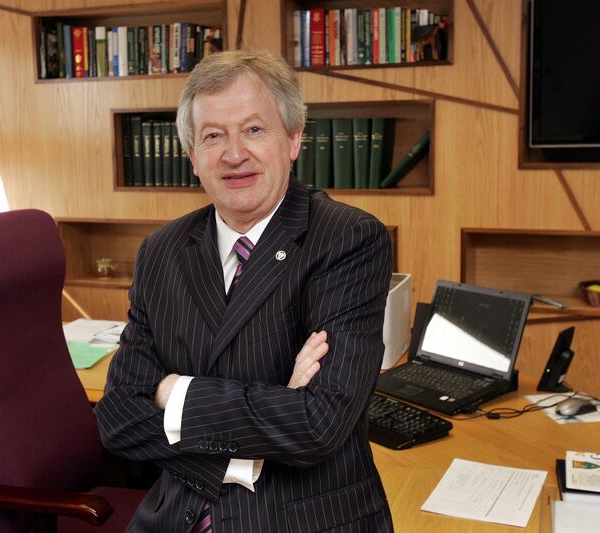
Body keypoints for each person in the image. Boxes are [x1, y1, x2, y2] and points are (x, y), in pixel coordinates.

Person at [95, 49, 394, 533]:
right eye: (213, 136)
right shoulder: (162, 251)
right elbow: (118, 419)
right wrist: (244, 453)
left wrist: (175, 392)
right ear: (193, 157)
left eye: (254, 130)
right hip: (179, 516)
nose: (234, 154)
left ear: (294, 139)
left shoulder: (347, 239)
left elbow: (320, 424)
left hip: (301, 521)